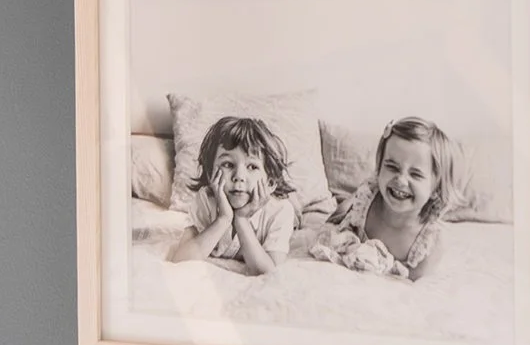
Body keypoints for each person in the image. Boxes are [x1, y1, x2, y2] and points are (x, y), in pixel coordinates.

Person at [310, 116, 462, 281]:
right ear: (379, 167)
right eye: (392, 167)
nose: (401, 180)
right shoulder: (366, 201)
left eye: (415, 174)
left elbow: (412, 289)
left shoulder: (427, 245)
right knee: (339, 215)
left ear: (436, 189)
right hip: (352, 234)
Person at [170, 115, 295, 275]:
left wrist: (241, 220)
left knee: (297, 214)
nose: (239, 176)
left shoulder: (280, 211)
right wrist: (223, 219)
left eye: (252, 167)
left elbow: (268, 272)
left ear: (270, 182)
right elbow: (180, 260)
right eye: (228, 164)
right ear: (210, 173)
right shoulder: (206, 200)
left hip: (280, 205)